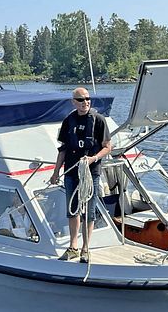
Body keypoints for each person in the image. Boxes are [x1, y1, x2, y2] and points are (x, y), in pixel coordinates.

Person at [50, 87, 112, 263]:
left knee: (89, 212)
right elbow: (62, 149)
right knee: (73, 210)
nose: (85, 102)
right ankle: (73, 246)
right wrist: (56, 172)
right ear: (74, 102)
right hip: (71, 171)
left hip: (90, 173)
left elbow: (107, 146)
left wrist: (94, 158)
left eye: (87, 99)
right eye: (81, 99)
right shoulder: (68, 121)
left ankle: (86, 248)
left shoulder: (98, 120)